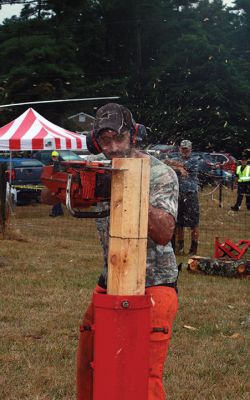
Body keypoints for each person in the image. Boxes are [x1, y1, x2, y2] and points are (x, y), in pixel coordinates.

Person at [77, 103, 179, 400]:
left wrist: (127, 185)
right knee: (90, 364)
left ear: (133, 135)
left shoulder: (161, 173)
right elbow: (50, 194)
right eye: (104, 141)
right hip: (112, 278)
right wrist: (75, 182)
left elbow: (164, 233)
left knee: (142, 375)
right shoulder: (97, 166)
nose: (111, 148)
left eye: (118, 138)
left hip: (155, 282)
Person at [165, 140, 200, 256]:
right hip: (178, 194)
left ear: (191, 149)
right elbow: (165, 162)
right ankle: (180, 247)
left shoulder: (195, 160)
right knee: (179, 222)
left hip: (190, 194)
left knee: (194, 223)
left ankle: (193, 248)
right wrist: (178, 168)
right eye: (182, 148)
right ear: (179, 148)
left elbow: (184, 166)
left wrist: (176, 165)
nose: (184, 151)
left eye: (186, 149)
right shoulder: (177, 157)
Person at [49, 151, 64, 217]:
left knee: (56, 196)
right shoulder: (51, 163)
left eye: (55, 156)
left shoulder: (59, 164)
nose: (53, 157)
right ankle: (59, 212)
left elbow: (57, 172)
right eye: (53, 156)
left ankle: (55, 212)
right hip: (55, 182)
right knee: (57, 197)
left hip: (59, 182)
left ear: (57, 157)